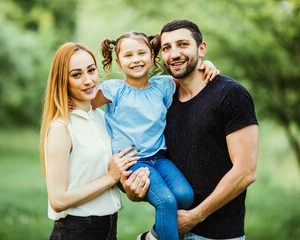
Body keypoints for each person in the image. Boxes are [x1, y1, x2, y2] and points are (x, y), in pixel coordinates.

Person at [124, 20, 259, 240]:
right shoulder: (164, 99)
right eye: (167, 48)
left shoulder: (230, 95)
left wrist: (195, 216)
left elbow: (245, 172)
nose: (174, 53)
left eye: (183, 44)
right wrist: (138, 191)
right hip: (170, 230)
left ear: (201, 48)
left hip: (218, 235)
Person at [83, 31, 219, 240]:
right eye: (128, 56)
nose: (136, 59)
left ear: (152, 57)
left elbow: (193, 78)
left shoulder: (164, 86)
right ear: (119, 63)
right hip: (131, 162)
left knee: (185, 196)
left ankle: (151, 237)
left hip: (159, 157)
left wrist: (205, 64)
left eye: (141, 53)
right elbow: (86, 104)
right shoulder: (113, 90)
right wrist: (70, 102)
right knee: (165, 201)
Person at [39, 42, 141, 240]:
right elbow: (58, 200)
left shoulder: (101, 117)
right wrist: (111, 177)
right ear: (63, 81)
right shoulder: (61, 128)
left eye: (91, 70)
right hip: (77, 231)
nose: (88, 80)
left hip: (109, 226)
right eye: (76, 75)